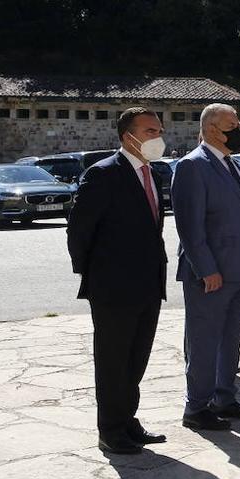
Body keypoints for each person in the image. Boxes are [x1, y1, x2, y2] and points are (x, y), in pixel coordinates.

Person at [67, 107, 170, 454]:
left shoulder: (151, 173)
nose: (158, 136)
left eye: (159, 129)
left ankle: (127, 420)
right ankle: (110, 429)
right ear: (129, 136)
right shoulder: (104, 174)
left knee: (136, 358)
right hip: (113, 286)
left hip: (148, 283)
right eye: (151, 130)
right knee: (113, 360)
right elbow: (79, 230)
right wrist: (94, 273)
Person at [173, 103, 240, 431]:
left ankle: (224, 398)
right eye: (233, 124)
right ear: (213, 128)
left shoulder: (237, 165)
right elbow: (190, 226)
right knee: (203, 341)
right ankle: (196, 407)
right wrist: (205, 268)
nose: (239, 128)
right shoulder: (192, 166)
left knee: (230, 338)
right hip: (211, 276)